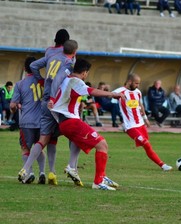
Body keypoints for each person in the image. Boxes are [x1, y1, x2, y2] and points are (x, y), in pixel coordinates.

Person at [50, 58, 124, 190]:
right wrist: (112, 94)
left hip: (64, 122)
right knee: (102, 145)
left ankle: (78, 169)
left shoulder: (65, 79)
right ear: (84, 72)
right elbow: (92, 91)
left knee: (79, 142)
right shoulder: (76, 81)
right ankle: (98, 182)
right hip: (70, 121)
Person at [18, 37, 79, 185]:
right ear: (75, 51)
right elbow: (58, 79)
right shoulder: (68, 63)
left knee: (44, 138)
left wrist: (41, 79)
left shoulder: (51, 57)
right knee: (74, 133)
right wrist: (53, 97)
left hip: (45, 103)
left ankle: (26, 168)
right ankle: (69, 167)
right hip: (55, 103)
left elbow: (33, 65)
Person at [114, 73, 173, 171]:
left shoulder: (137, 92)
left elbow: (140, 104)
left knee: (148, 147)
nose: (138, 85)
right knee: (146, 143)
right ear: (129, 82)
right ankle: (163, 165)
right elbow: (107, 95)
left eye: (139, 83)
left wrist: (145, 118)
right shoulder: (120, 91)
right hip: (130, 126)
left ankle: (162, 165)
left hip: (140, 124)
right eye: (136, 83)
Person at [10, 57, 46, 184]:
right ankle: (42, 172)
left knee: (25, 148)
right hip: (43, 121)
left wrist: (14, 110)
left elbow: (13, 105)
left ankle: (29, 173)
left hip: (27, 122)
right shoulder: (44, 82)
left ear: (24, 68)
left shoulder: (20, 84)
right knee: (39, 147)